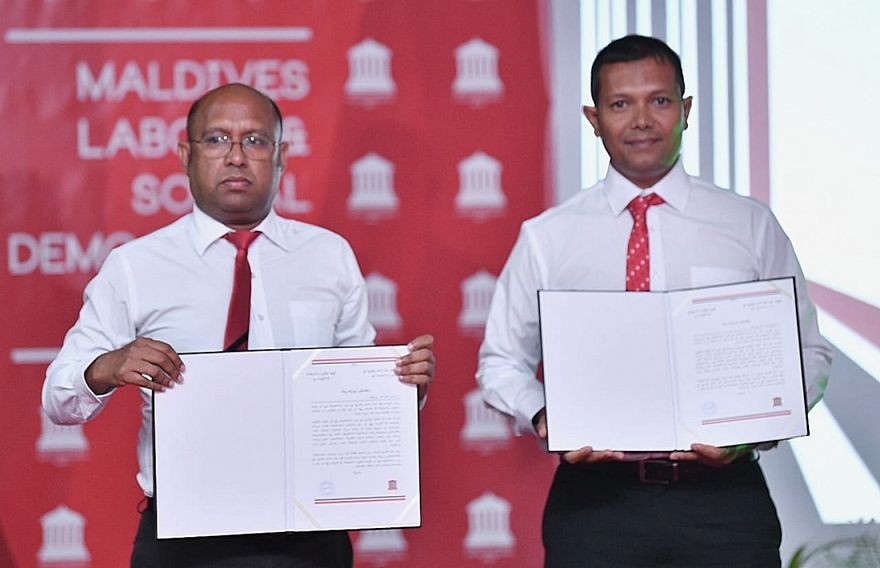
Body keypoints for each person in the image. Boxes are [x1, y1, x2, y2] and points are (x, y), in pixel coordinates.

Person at [42, 83, 435, 568]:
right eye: (216, 139)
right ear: (186, 155)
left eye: (254, 140)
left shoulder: (328, 256)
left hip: (310, 536)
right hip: (186, 540)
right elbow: (58, 398)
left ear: (281, 156)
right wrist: (107, 367)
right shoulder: (135, 266)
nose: (235, 156)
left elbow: (357, 394)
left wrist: (402, 388)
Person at [476, 35, 831, 567]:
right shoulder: (548, 237)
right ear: (594, 119)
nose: (641, 120)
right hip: (595, 505)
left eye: (659, 100)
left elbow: (809, 355)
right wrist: (547, 416)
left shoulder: (749, 225)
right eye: (621, 104)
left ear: (685, 111)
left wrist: (754, 430)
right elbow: (500, 362)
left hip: (723, 501)